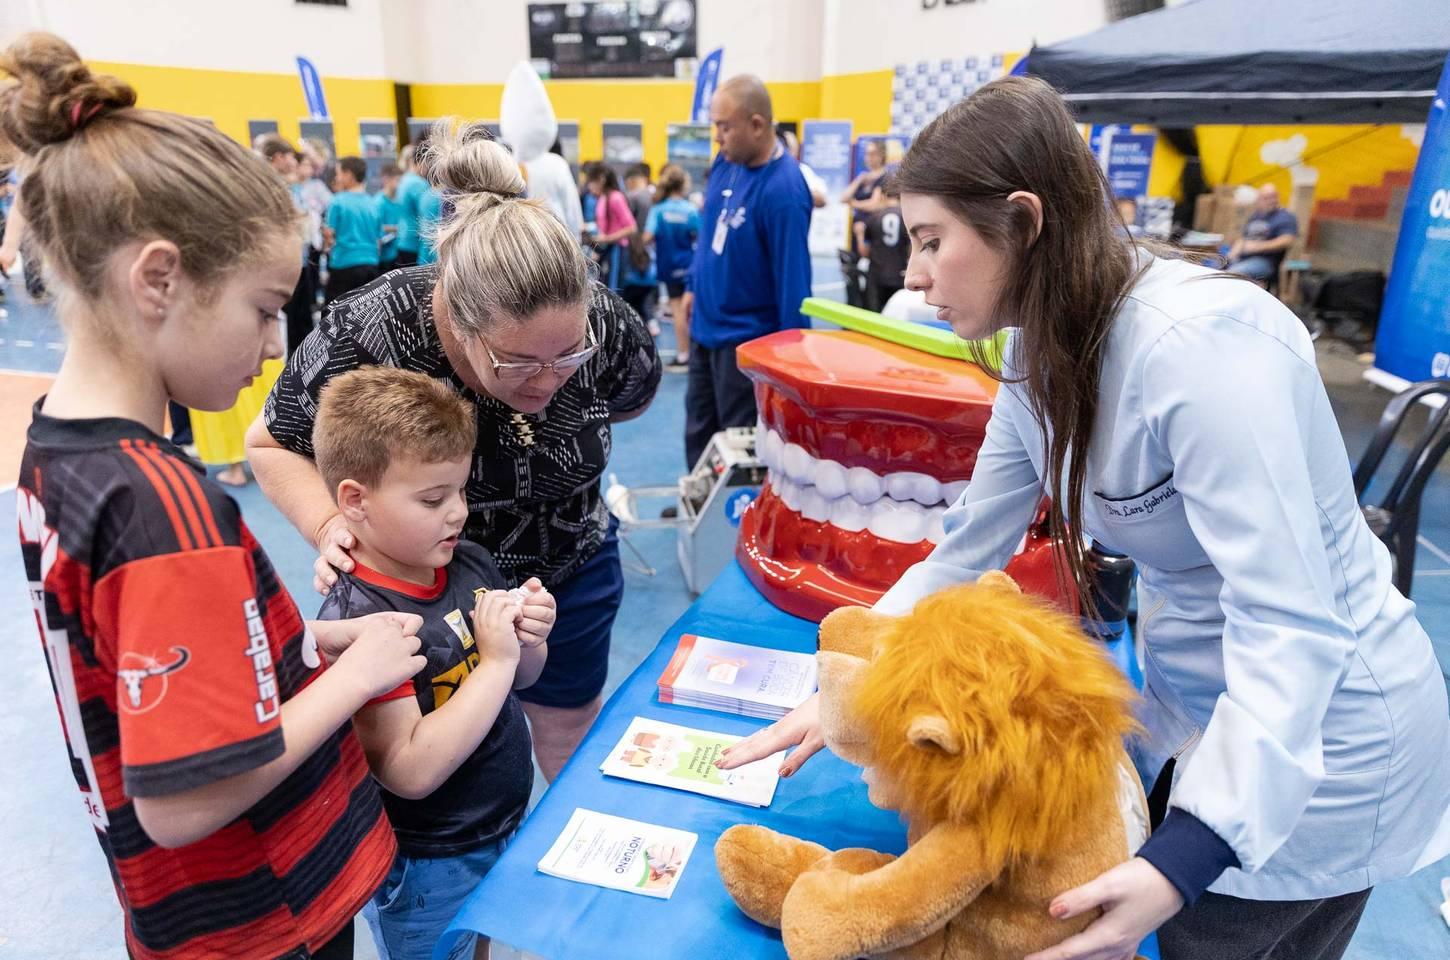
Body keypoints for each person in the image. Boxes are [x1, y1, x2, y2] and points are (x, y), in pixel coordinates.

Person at [718, 76, 1450, 960]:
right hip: (1201, 704)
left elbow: (1290, 621)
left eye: (932, 240)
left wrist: (1186, 857)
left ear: (1023, 222)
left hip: (1327, 739)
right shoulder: (1038, 355)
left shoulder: (1202, 351)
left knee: (1215, 933)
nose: (912, 274)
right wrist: (854, 682)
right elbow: (964, 547)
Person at [2, 32, 427, 960]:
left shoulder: (55, 453)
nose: (275, 347)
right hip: (268, 921)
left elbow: (145, 671)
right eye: (264, 309)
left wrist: (299, 650)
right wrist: (354, 677)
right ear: (159, 279)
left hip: (184, 921)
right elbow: (185, 798)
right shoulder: (163, 507)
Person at [247, 119, 661, 782]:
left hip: (570, 565)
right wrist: (328, 525)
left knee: (568, 732)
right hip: (426, 593)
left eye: (568, 357)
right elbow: (271, 443)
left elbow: (634, 394)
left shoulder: (602, 320)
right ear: (459, 323)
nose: (548, 382)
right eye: (518, 362)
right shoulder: (373, 330)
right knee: (456, 762)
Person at [311, 366, 553, 960]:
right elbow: (408, 769)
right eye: (432, 499)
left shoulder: (467, 562)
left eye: (461, 491)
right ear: (355, 501)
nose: (457, 513)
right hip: (430, 859)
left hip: (501, 820)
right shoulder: (362, 617)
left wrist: (529, 640)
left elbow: (523, 678)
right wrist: (496, 662)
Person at [681, 73, 812, 468]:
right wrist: (692, 284)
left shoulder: (784, 191)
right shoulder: (726, 162)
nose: (717, 137)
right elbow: (709, 230)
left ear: (756, 125)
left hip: (744, 345)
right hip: (705, 331)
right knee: (699, 435)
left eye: (724, 127)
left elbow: (794, 286)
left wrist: (790, 373)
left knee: (737, 455)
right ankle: (698, 502)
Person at [643, 164, 701, 370]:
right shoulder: (690, 210)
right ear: (684, 184)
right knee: (692, 310)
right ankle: (695, 354)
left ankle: (683, 355)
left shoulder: (658, 210)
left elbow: (647, 237)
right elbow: (701, 236)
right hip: (689, 265)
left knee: (678, 310)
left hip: (668, 266)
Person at [325, 154, 383, 304]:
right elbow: (378, 239)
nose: (336, 178)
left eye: (338, 174)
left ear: (348, 175)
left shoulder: (337, 201)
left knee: (335, 311)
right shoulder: (373, 203)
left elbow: (329, 234)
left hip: (344, 264)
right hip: (371, 265)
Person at [854, 178, 909, 312]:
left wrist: (859, 234)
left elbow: (864, 252)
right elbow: (912, 250)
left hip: (876, 276)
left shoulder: (874, 218)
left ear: (883, 196)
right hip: (900, 277)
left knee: (873, 317)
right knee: (897, 317)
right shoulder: (907, 218)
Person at [1225, 184, 1298, 284]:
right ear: (1259, 200)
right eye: (1266, 198)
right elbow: (1244, 237)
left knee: (1231, 274)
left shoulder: (1285, 217)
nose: (1271, 200)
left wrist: (1257, 247)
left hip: (1265, 261)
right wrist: (1234, 251)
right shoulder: (1256, 216)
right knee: (1215, 267)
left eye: (1274, 196)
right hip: (1243, 257)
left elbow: (1287, 240)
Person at [585, 164, 637, 290]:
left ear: (601, 179)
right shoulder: (603, 197)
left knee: (613, 291)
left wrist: (607, 238)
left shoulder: (615, 198)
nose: (589, 186)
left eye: (592, 182)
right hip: (608, 250)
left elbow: (631, 227)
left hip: (616, 250)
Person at [525, 137, 584, 239]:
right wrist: (576, 235)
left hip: (530, 229)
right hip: (557, 227)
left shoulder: (519, 161)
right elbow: (571, 203)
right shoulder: (557, 162)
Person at [395, 142, 430, 266]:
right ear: (422, 162)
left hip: (403, 239)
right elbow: (428, 212)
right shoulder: (418, 184)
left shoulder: (404, 179)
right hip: (414, 243)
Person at [377, 162, 403, 271]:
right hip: (383, 258)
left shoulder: (400, 200)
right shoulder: (378, 202)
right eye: (397, 180)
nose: (400, 184)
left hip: (397, 254)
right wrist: (396, 228)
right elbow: (376, 227)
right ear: (386, 179)